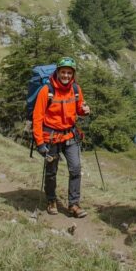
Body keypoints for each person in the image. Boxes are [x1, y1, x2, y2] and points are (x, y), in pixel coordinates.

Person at [33, 57, 91, 218]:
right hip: (51, 138)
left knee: (76, 168)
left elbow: (79, 108)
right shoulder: (47, 90)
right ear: (57, 72)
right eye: (63, 72)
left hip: (70, 136)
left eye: (69, 73)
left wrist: (85, 110)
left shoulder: (76, 89)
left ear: (73, 74)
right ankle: (51, 200)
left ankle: (74, 204)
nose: (66, 75)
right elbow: (37, 118)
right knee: (51, 171)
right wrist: (39, 143)